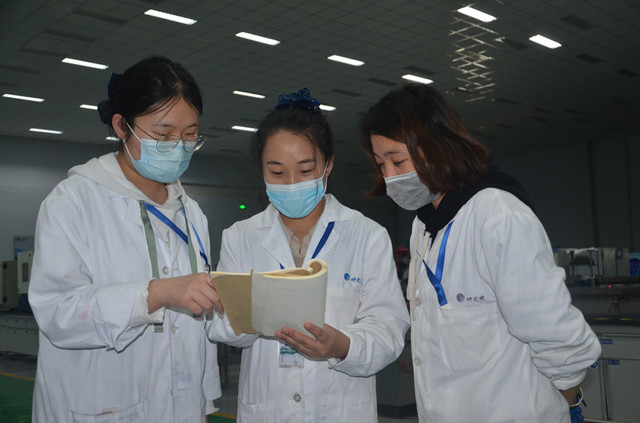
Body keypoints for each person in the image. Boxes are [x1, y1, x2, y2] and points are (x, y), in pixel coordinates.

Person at [359, 83, 602, 423]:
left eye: (397, 161)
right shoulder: (424, 226)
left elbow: (550, 326)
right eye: (380, 163)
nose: (389, 176)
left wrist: (568, 395)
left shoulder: (497, 214)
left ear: (437, 146)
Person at [28, 56, 223, 422]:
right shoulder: (74, 201)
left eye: (189, 135)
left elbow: (197, 328)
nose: (178, 147)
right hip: (99, 405)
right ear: (121, 126)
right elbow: (57, 313)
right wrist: (155, 293)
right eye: (163, 135)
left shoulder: (192, 213)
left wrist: (203, 400)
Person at [208, 88, 410, 422]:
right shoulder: (240, 237)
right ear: (261, 169)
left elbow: (388, 327)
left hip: (341, 408)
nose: (291, 183)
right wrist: (244, 316)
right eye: (276, 172)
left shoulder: (367, 235)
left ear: (328, 164)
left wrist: (342, 346)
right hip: (269, 409)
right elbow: (220, 325)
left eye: (305, 171)